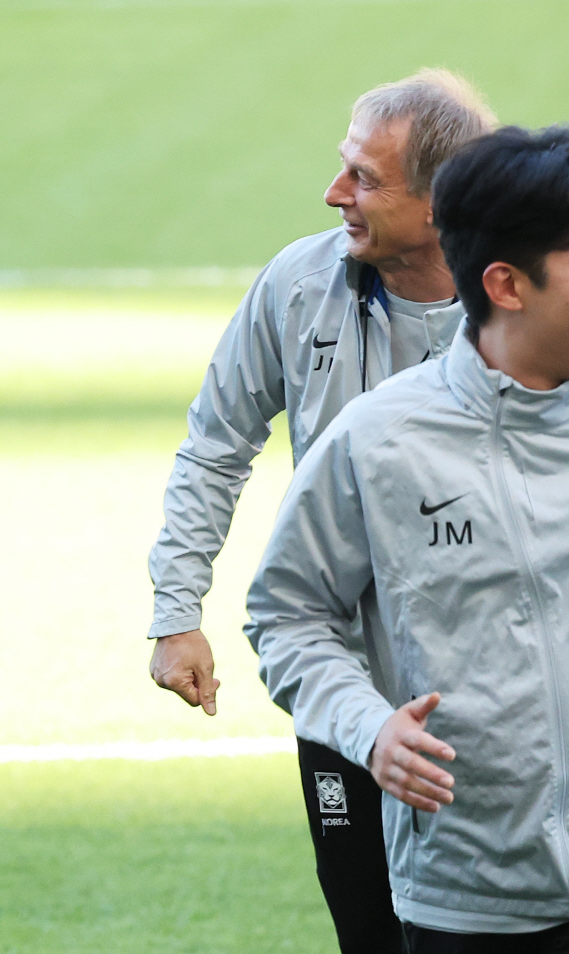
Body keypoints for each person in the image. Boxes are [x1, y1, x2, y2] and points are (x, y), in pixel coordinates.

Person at [145, 70, 495, 952]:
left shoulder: (524, 308)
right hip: (343, 689)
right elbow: (215, 444)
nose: (334, 192)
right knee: (368, 931)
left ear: (440, 203)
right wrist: (176, 610)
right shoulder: (297, 285)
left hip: (494, 700)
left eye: (365, 179)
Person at [247, 124, 569, 951]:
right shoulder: (379, 440)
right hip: (473, 896)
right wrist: (369, 728)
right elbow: (286, 614)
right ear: (507, 284)